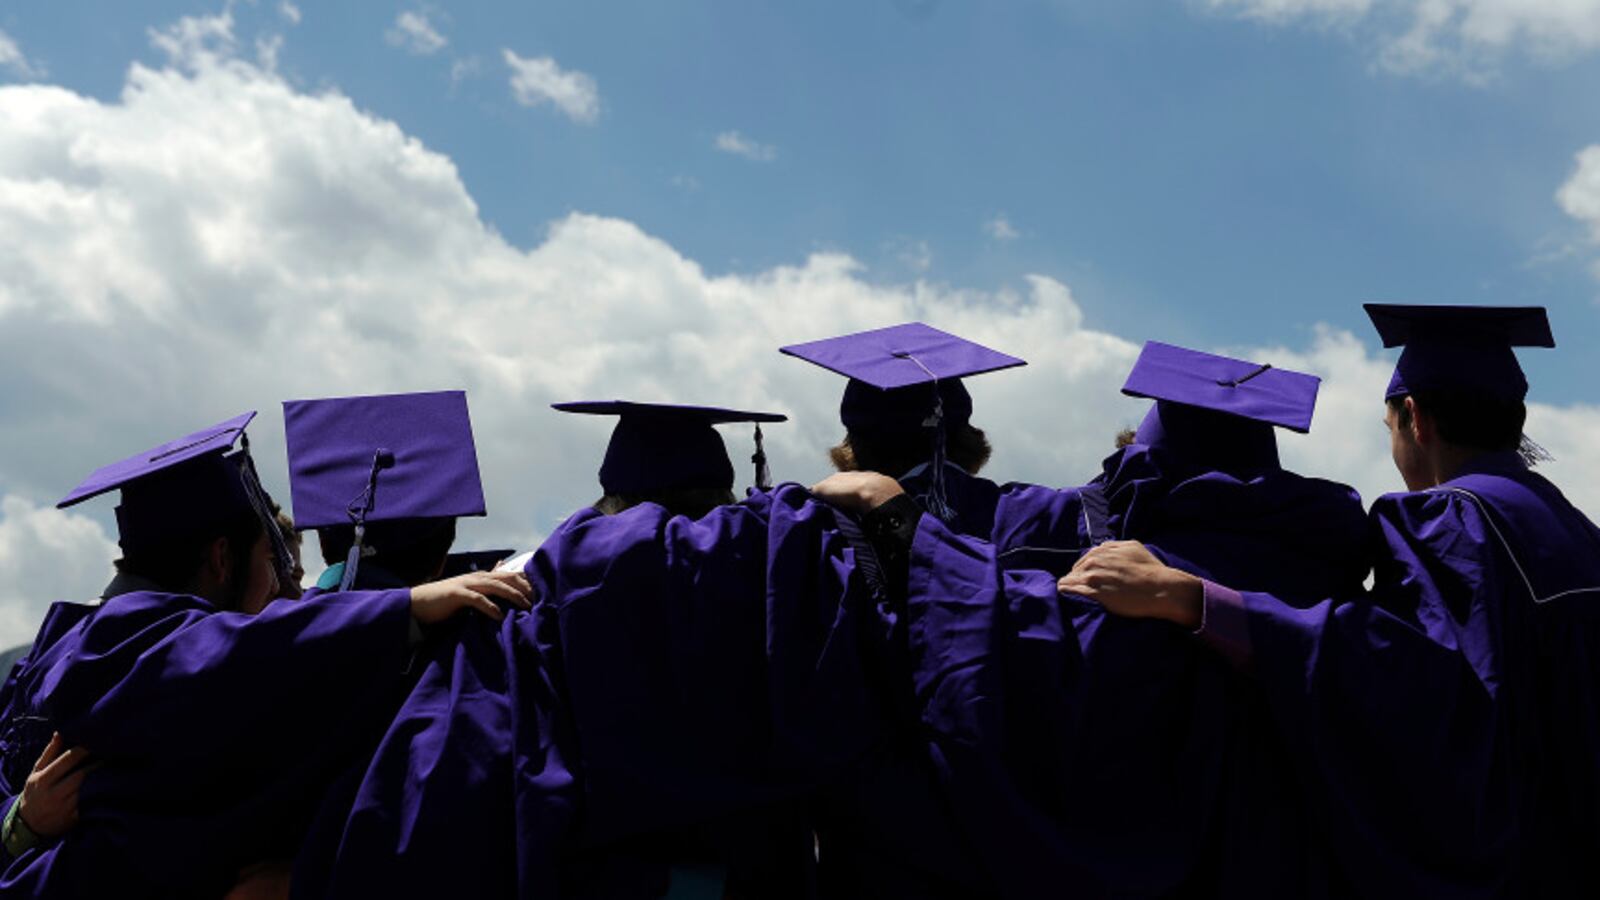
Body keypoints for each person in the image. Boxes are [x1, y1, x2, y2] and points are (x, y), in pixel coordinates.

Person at [1062, 304, 1600, 897]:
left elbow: (1417, 683)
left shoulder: (1451, 518)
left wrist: (1199, 601)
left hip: (1520, 861)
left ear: (1414, 420)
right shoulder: (1572, 527)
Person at [814, 341, 1371, 897]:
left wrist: (899, 524)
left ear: (1143, 464)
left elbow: (996, 653)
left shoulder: (1121, 582)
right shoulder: (1341, 597)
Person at [0, 411, 530, 898]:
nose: (283, 588)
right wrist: (406, 607)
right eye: (270, 561)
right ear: (223, 558)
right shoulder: (139, 649)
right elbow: (231, 655)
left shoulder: (52, 651)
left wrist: (20, 823)